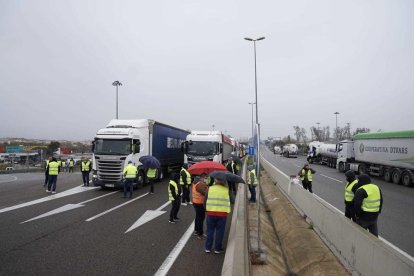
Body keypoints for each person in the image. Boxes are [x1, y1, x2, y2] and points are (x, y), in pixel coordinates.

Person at [204, 174, 231, 254]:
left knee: (209, 231)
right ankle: (217, 249)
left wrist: (206, 209)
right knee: (220, 232)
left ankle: (207, 248)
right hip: (222, 215)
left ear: (215, 181)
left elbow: (205, 201)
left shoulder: (210, 189)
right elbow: (232, 200)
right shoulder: (226, 190)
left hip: (211, 213)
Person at [192, 174, 209, 239]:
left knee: (198, 217)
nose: (206, 179)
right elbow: (205, 193)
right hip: (200, 203)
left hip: (195, 202)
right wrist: (207, 187)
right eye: (205, 177)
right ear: (201, 178)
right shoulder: (200, 185)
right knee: (201, 218)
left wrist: (205, 185)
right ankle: (200, 233)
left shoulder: (196, 183)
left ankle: (196, 230)